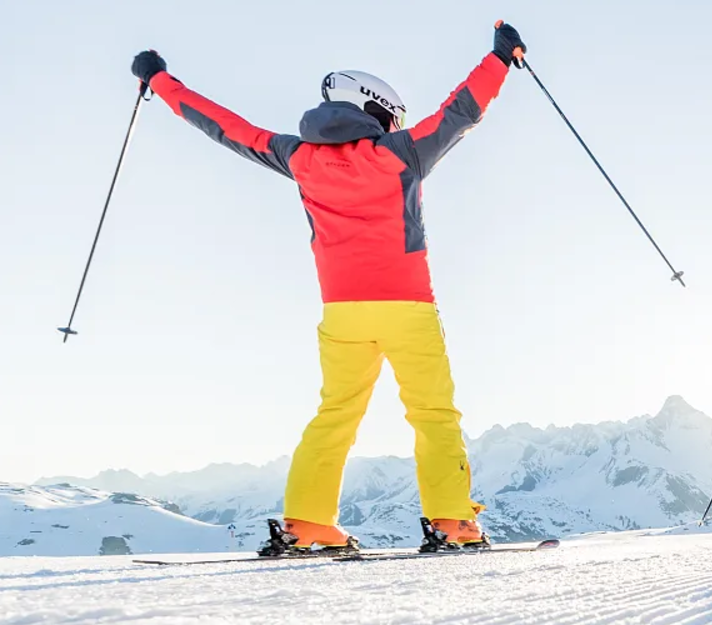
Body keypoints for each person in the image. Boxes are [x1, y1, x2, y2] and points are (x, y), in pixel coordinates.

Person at [130, 23, 528, 554]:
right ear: (377, 110)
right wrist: (500, 57)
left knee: (335, 413)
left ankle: (310, 524)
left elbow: (224, 126)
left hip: (342, 313)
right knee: (433, 415)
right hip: (407, 307)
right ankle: (453, 522)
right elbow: (462, 112)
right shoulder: (401, 153)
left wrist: (158, 79)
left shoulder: (297, 156)